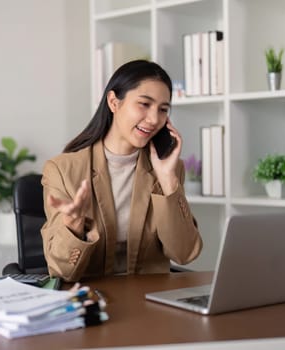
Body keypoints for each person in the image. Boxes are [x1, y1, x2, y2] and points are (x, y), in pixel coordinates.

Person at [41, 60, 202, 282]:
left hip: (151, 301)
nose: (154, 119)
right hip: (90, 301)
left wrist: (168, 182)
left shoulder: (169, 170)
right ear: (114, 102)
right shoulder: (62, 170)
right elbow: (61, 273)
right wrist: (74, 227)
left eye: (163, 110)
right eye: (144, 104)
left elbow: (184, 254)